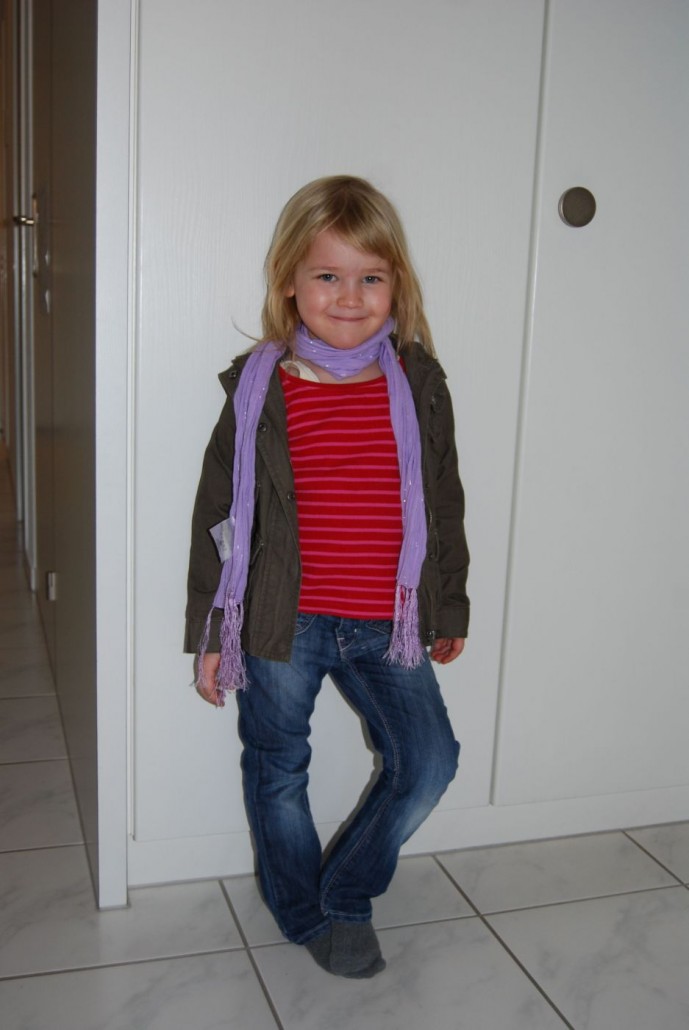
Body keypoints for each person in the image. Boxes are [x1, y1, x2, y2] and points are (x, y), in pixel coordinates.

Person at [185, 175, 469, 979]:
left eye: (370, 277)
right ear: (290, 283)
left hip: (388, 621)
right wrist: (213, 632)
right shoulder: (258, 387)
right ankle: (301, 912)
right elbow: (218, 514)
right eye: (327, 275)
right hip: (282, 621)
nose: (349, 297)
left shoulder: (417, 384)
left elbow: (443, 500)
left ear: (396, 285)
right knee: (277, 770)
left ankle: (345, 889)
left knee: (429, 761)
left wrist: (450, 605)